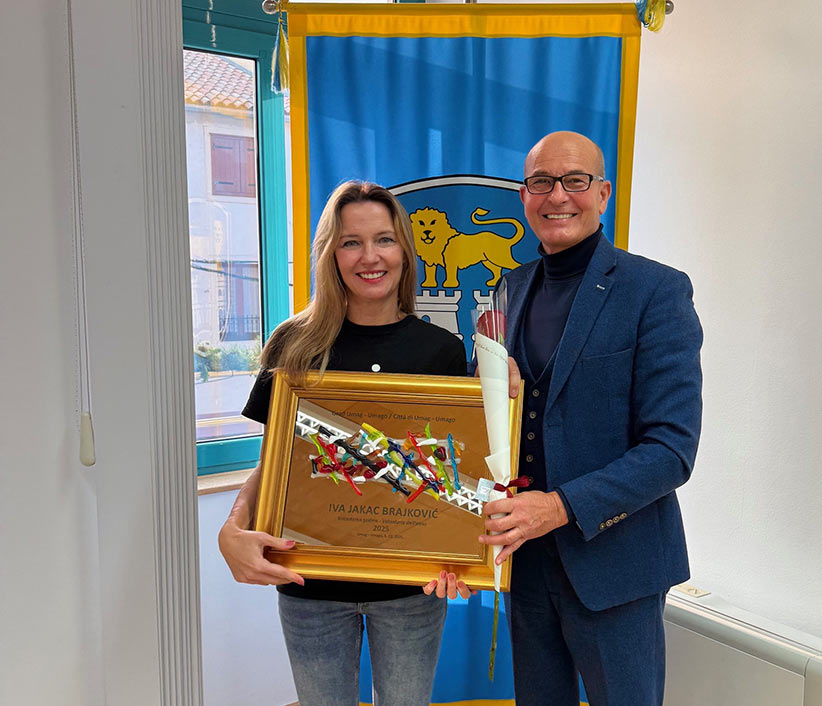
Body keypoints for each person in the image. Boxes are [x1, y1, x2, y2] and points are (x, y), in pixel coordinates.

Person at [218, 181, 472, 706]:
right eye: (351, 242)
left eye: (384, 239)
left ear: (405, 250)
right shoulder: (293, 345)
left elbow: (446, 477)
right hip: (310, 583)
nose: (369, 257)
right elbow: (273, 464)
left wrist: (462, 552)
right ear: (330, 255)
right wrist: (232, 528)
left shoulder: (442, 351)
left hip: (410, 589)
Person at [478, 131, 704, 706]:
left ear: (602, 194)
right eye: (541, 182)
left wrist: (557, 508)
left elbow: (672, 451)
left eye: (574, 181)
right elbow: (488, 420)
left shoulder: (656, 290)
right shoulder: (508, 288)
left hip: (617, 568)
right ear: (524, 197)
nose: (557, 196)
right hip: (526, 566)